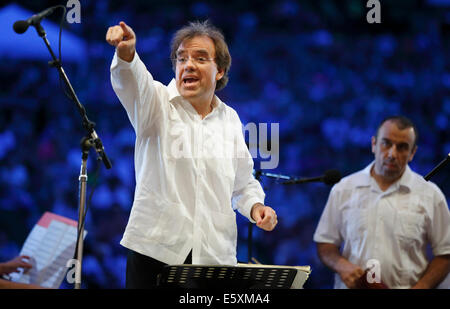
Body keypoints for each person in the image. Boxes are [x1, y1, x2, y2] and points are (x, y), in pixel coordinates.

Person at [106, 20, 278, 288]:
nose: (188, 65)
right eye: (181, 58)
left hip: (213, 257)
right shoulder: (156, 103)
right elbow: (132, 81)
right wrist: (127, 53)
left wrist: (256, 207)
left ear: (219, 70)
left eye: (200, 58)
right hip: (156, 252)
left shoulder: (230, 119)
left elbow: (243, 183)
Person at [313, 115, 450, 289]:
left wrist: (421, 287)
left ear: (412, 153)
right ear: (373, 144)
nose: (392, 154)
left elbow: (446, 254)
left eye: (402, 147)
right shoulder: (343, 189)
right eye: (386, 143)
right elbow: (325, 243)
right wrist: (341, 265)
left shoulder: (431, 195)